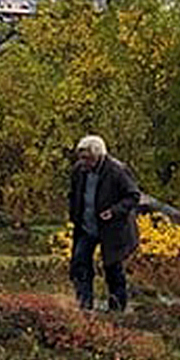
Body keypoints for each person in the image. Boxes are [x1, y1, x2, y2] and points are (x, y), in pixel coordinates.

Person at [68, 133, 142, 312]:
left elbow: (133, 196)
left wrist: (115, 211)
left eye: (87, 158)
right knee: (80, 263)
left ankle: (117, 307)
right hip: (86, 227)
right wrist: (73, 214)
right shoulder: (79, 170)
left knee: (113, 268)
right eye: (81, 157)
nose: (84, 162)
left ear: (98, 155)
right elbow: (73, 194)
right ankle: (84, 305)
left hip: (112, 229)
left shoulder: (117, 171)